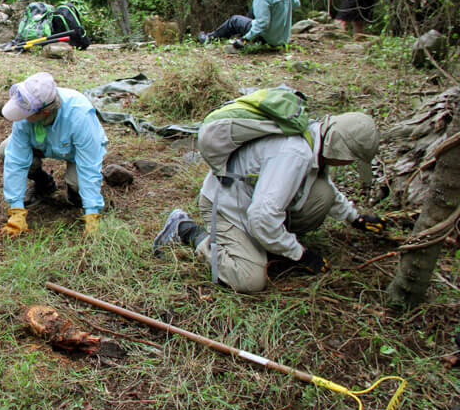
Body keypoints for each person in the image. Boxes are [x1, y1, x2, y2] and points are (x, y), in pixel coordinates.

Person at [153, 112, 388, 293]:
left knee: (322, 194)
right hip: (226, 206)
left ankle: (268, 242)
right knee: (249, 279)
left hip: (254, 201)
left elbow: (322, 185)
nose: (347, 164)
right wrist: (300, 254)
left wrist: (354, 218)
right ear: (341, 149)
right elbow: (261, 217)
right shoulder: (295, 153)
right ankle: (186, 229)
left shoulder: (313, 137)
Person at [0, 72, 108, 237]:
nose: (21, 116)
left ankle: (75, 193)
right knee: (5, 149)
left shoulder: (79, 115)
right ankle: (44, 184)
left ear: (45, 112)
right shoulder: (26, 112)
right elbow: (16, 161)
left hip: (76, 152)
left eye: (26, 114)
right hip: (42, 144)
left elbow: (88, 166)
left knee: (78, 186)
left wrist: (92, 211)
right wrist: (16, 209)